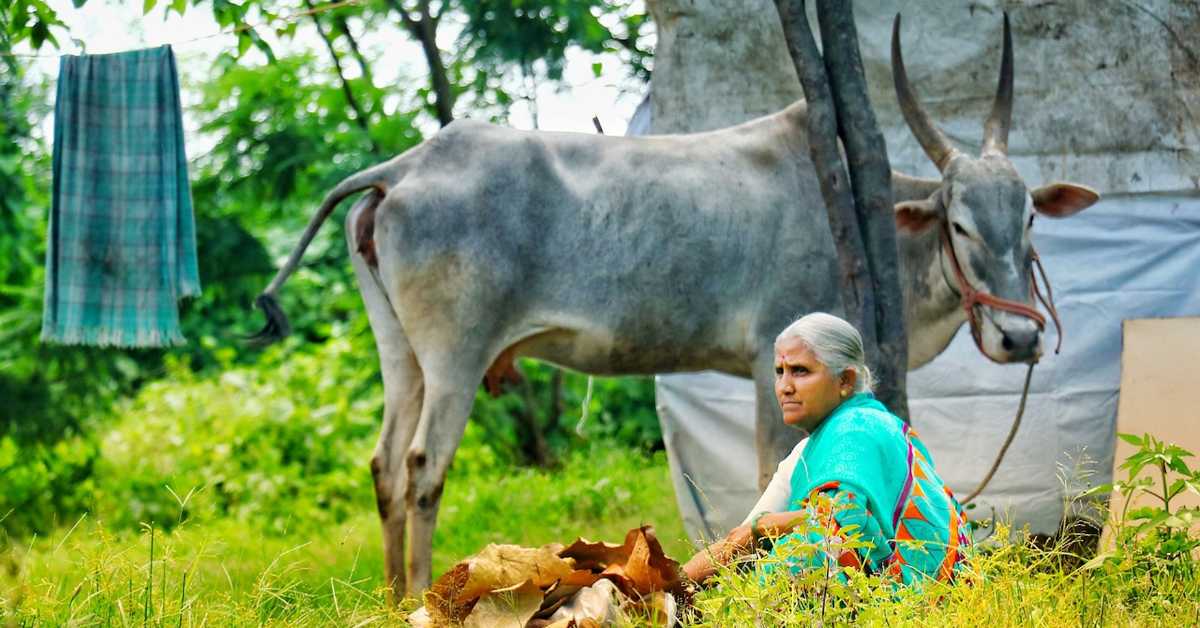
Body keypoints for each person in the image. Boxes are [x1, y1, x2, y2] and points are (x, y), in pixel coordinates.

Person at [680, 313, 970, 586]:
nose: (784, 387)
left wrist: (766, 528)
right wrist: (666, 586)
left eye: (800, 371)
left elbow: (841, 523)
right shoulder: (814, 447)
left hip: (915, 606)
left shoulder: (858, 430)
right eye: (779, 372)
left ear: (845, 380)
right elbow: (740, 539)